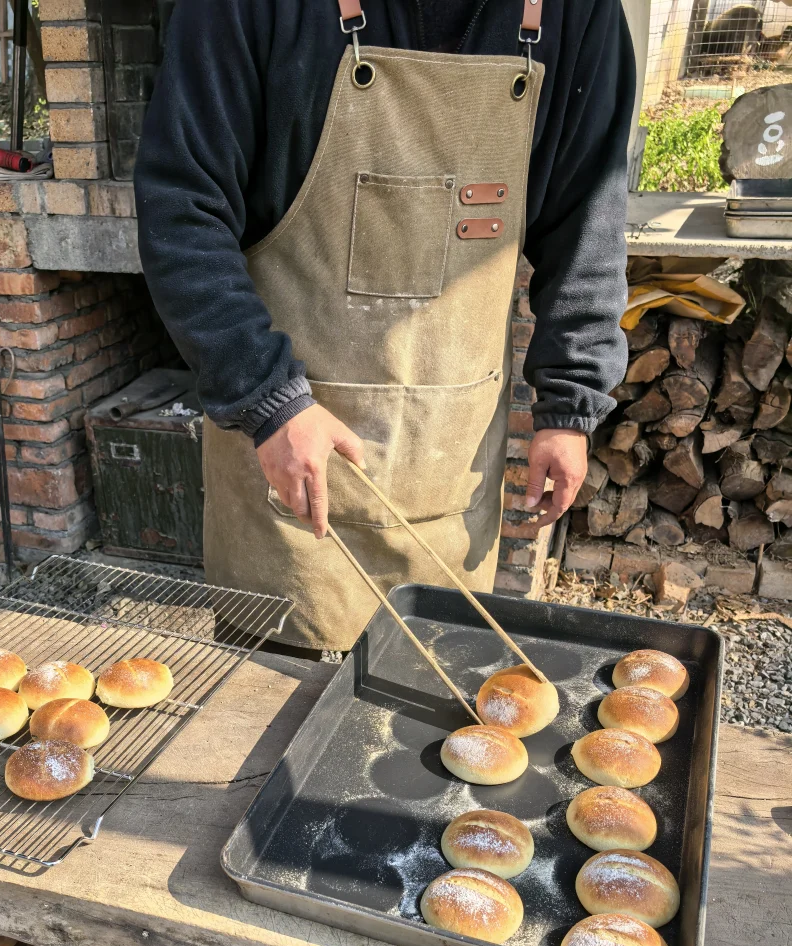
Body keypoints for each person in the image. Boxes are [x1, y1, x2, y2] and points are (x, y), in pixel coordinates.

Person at [134, 0, 633, 649]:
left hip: (446, 480)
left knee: (434, 710)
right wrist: (266, 398)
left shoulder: (575, 13)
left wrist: (570, 404)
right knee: (265, 717)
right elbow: (181, 212)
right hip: (285, 482)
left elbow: (589, 221)